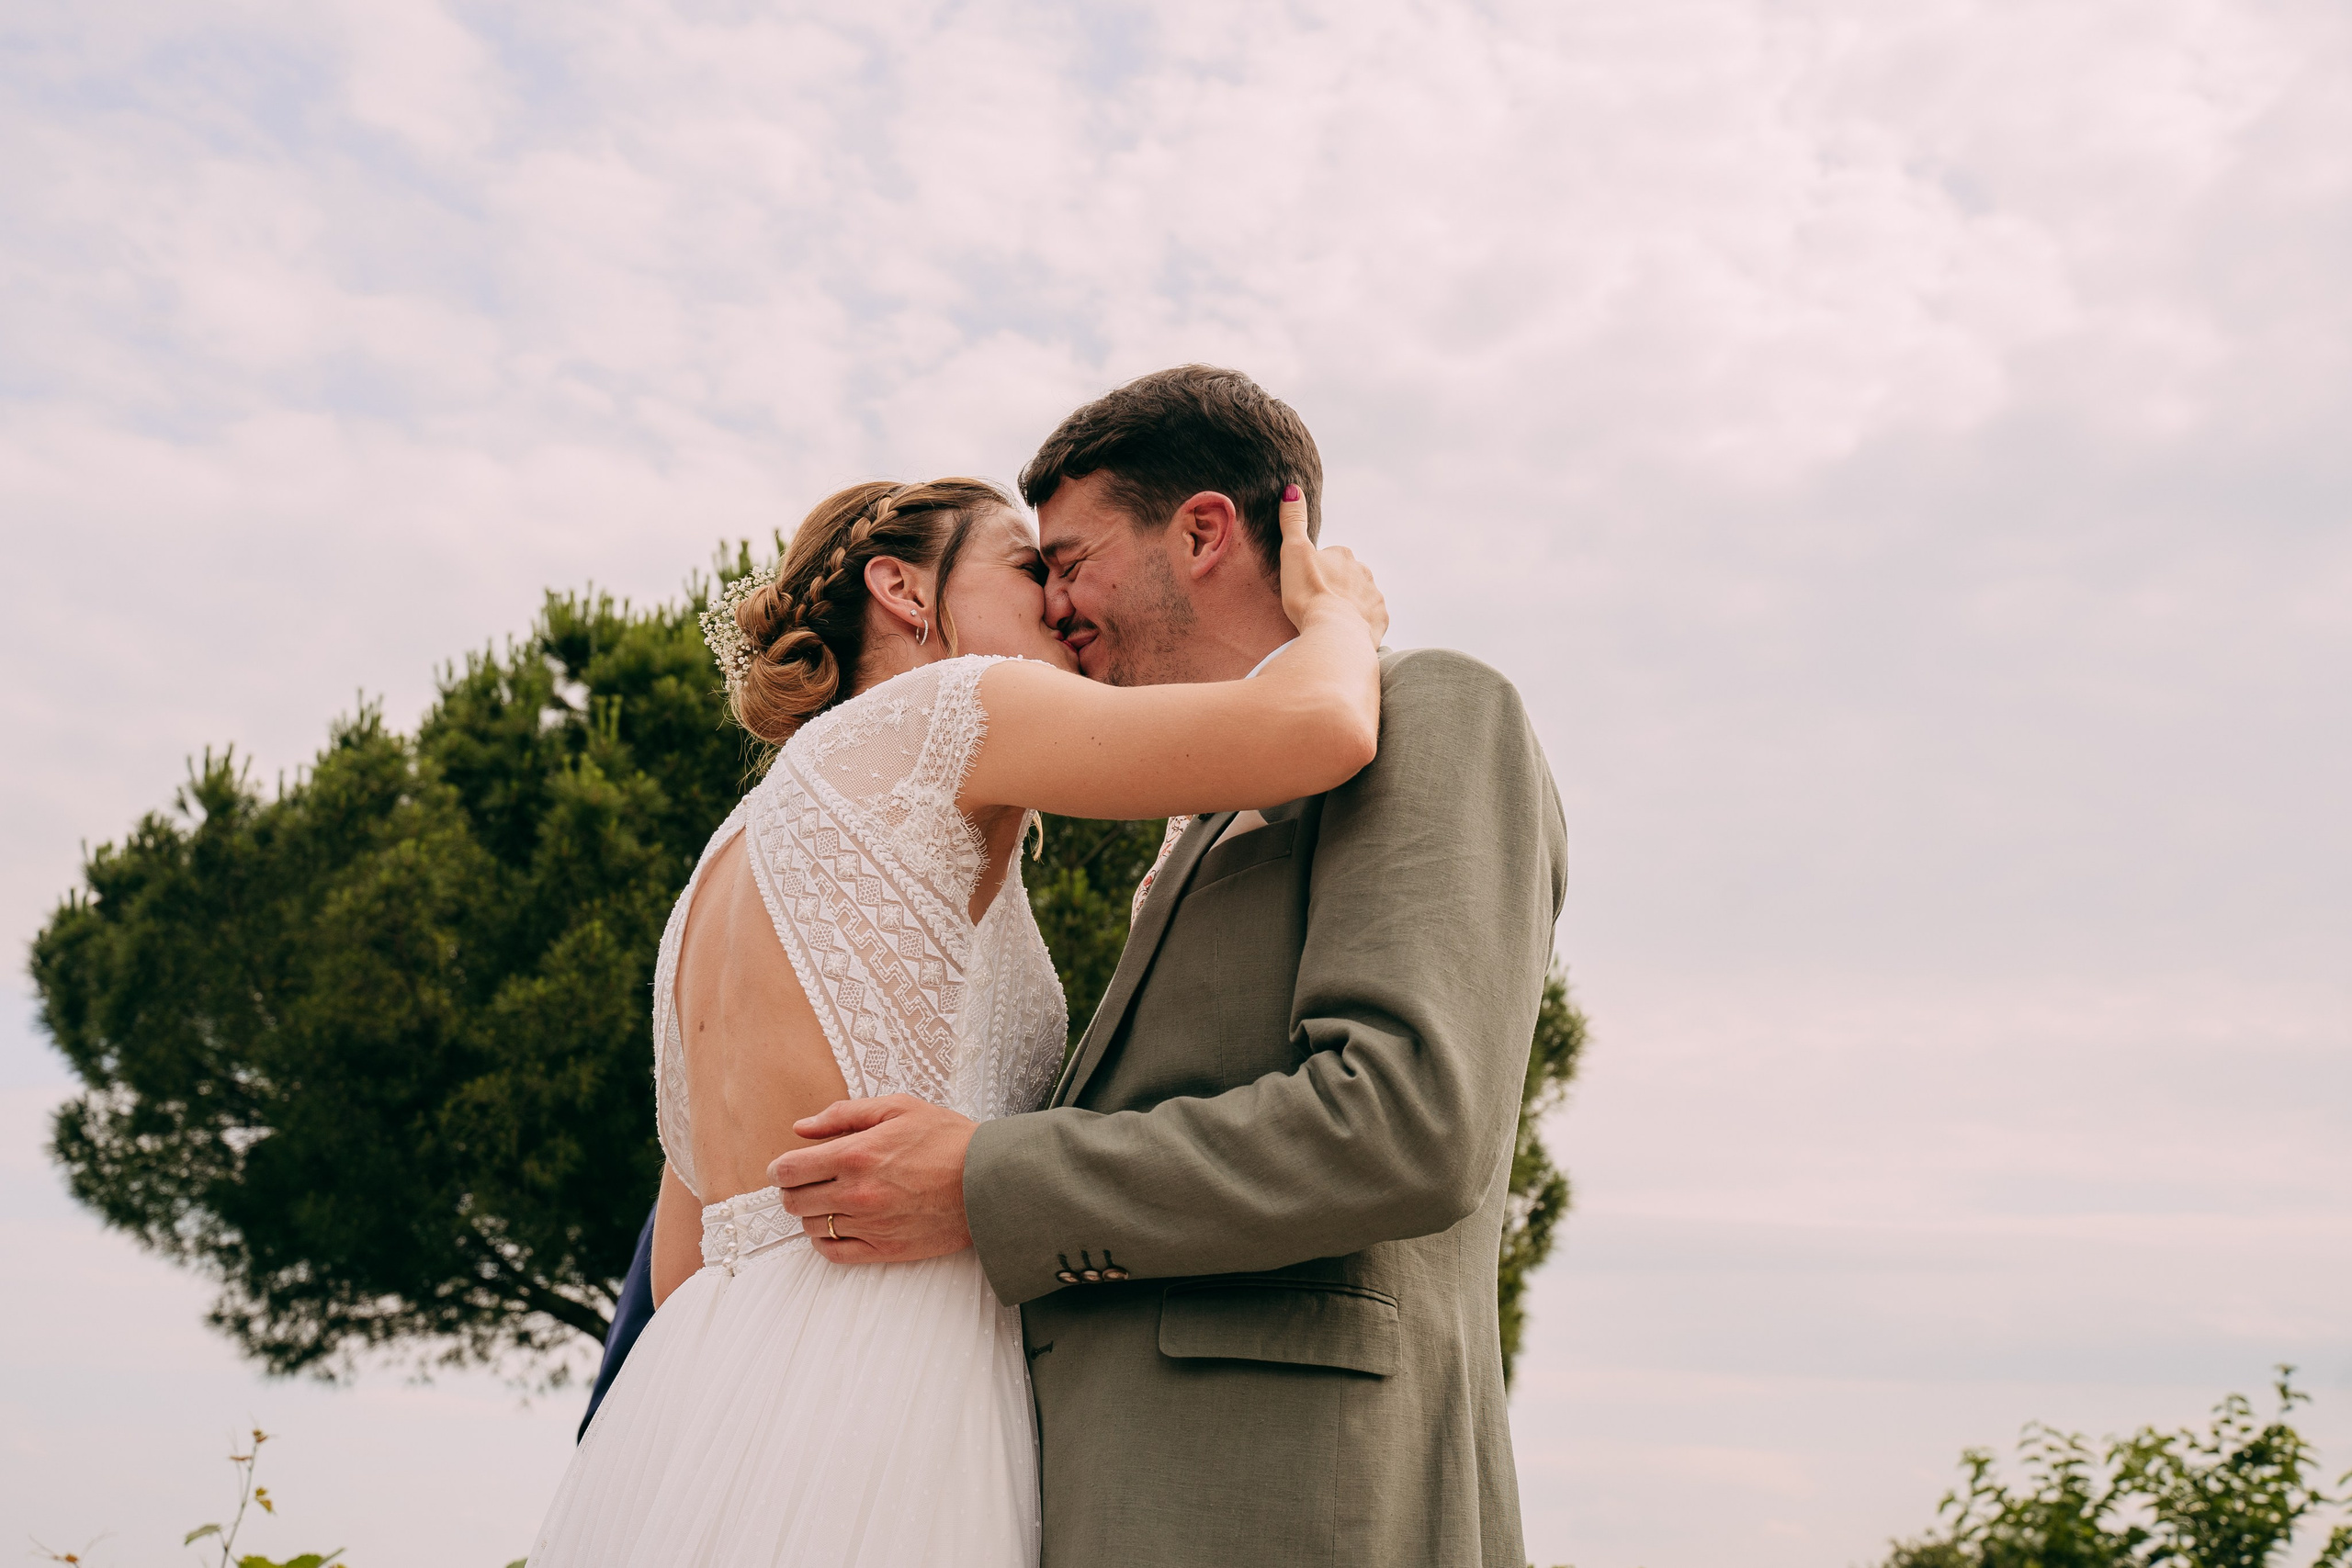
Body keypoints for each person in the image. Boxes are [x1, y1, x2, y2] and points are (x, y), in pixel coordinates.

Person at [769, 366, 1567, 1568]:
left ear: (1200, 530)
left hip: (1304, 1503)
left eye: (1071, 559)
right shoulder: (1193, 816)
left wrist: (988, 1179)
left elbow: (1407, 1120)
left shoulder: (1439, 708)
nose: (1058, 604)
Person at [527, 467, 1386, 1567]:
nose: (1062, 603)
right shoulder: (952, 706)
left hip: (694, 1408)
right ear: (901, 588)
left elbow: (682, 1261)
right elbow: (1318, 724)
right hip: (897, 1380)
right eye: (1027, 568)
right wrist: (1340, 617)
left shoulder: (720, 865)